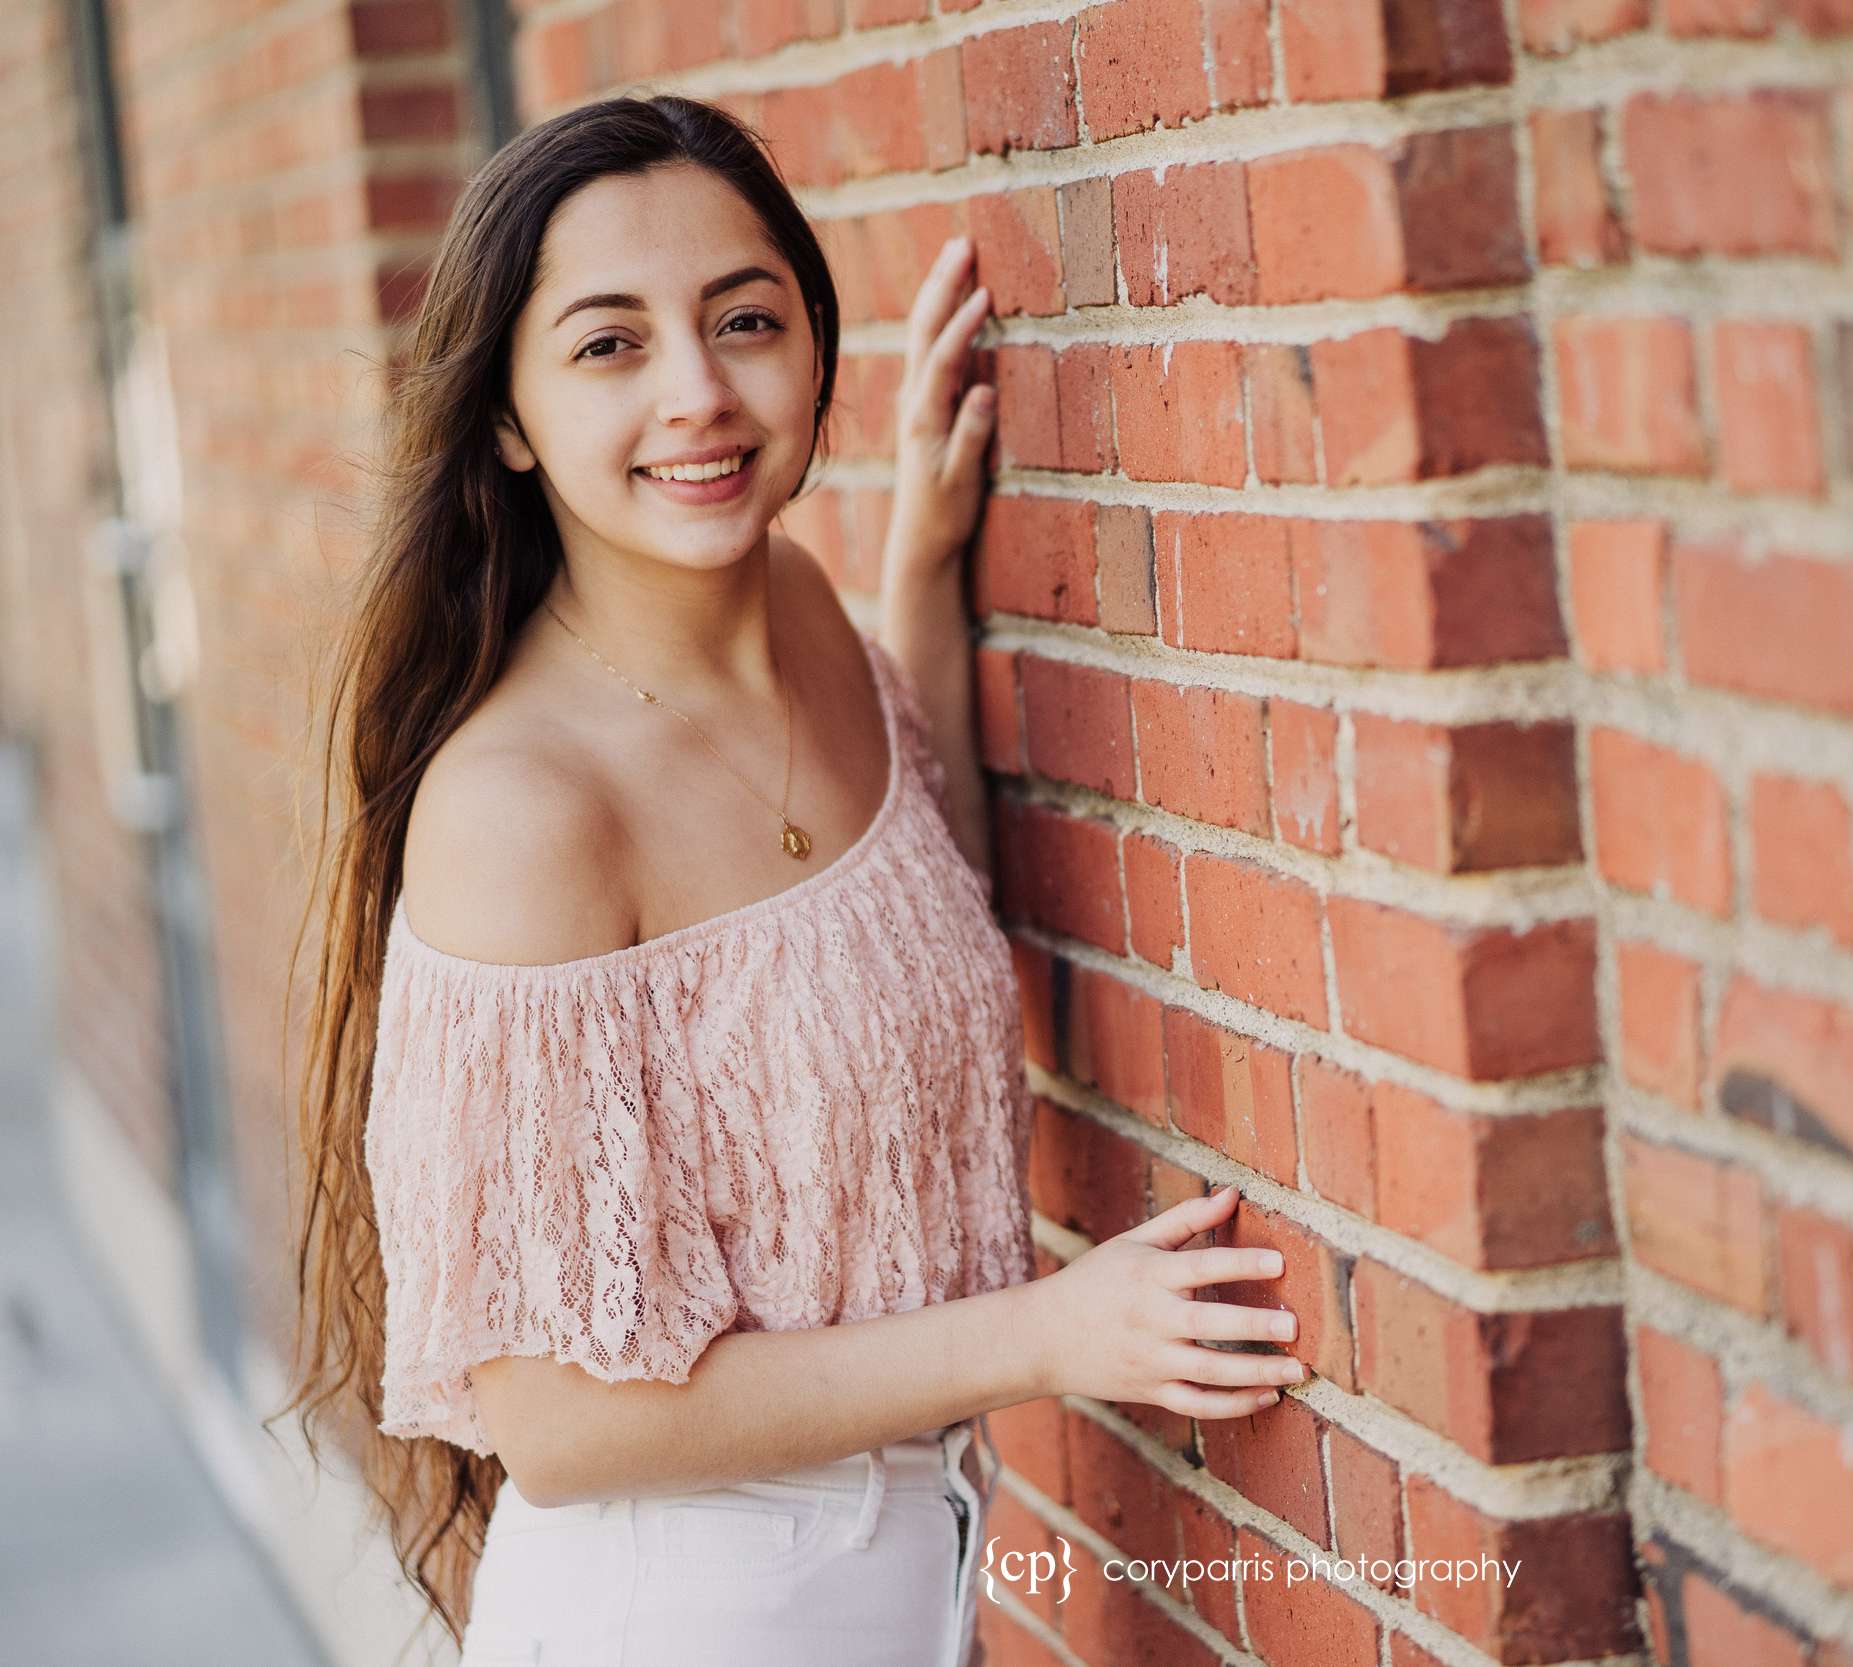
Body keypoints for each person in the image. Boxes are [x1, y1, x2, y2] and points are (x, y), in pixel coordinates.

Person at [270, 93, 1307, 1667]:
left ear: (815, 345)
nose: (698, 393)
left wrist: (920, 586)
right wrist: (1050, 1333)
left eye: (743, 320)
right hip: (680, 1616)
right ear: (506, 416)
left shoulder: (813, 616)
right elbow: (557, 1423)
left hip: (902, 1578)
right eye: (610, 345)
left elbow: (905, 900)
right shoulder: (519, 813)